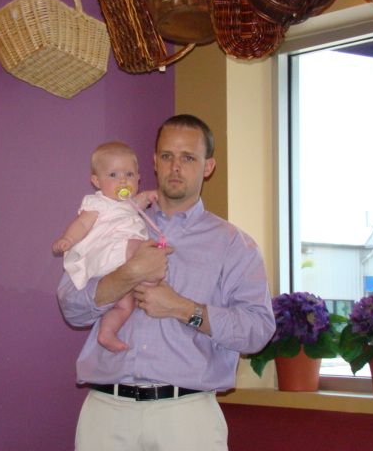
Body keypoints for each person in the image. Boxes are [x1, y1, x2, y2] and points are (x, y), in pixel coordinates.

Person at [57, 115, 276, 451]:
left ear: (208, 166)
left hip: (187, 417)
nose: (176, 167)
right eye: (167, 156)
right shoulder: (109, 222)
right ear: (154, 162)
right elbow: (71, 307)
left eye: (188, 157)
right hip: (107, 413)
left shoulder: (234, 245)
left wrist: (182, 308)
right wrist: (128, 274)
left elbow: (257, 332)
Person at [53, 141, 158, 352]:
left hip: (120, 265)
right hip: (109, 253)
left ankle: (107, 333)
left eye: (129, 174)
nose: (123, 180)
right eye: (113, 175)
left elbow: (141, 202)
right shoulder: (98, 203)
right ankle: (150, 276)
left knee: (125, 304)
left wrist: (150, 196)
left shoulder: (130, 204)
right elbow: (82, 224)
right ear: (96, 181)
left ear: (138, 178)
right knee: (140, 247)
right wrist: (68, 239)